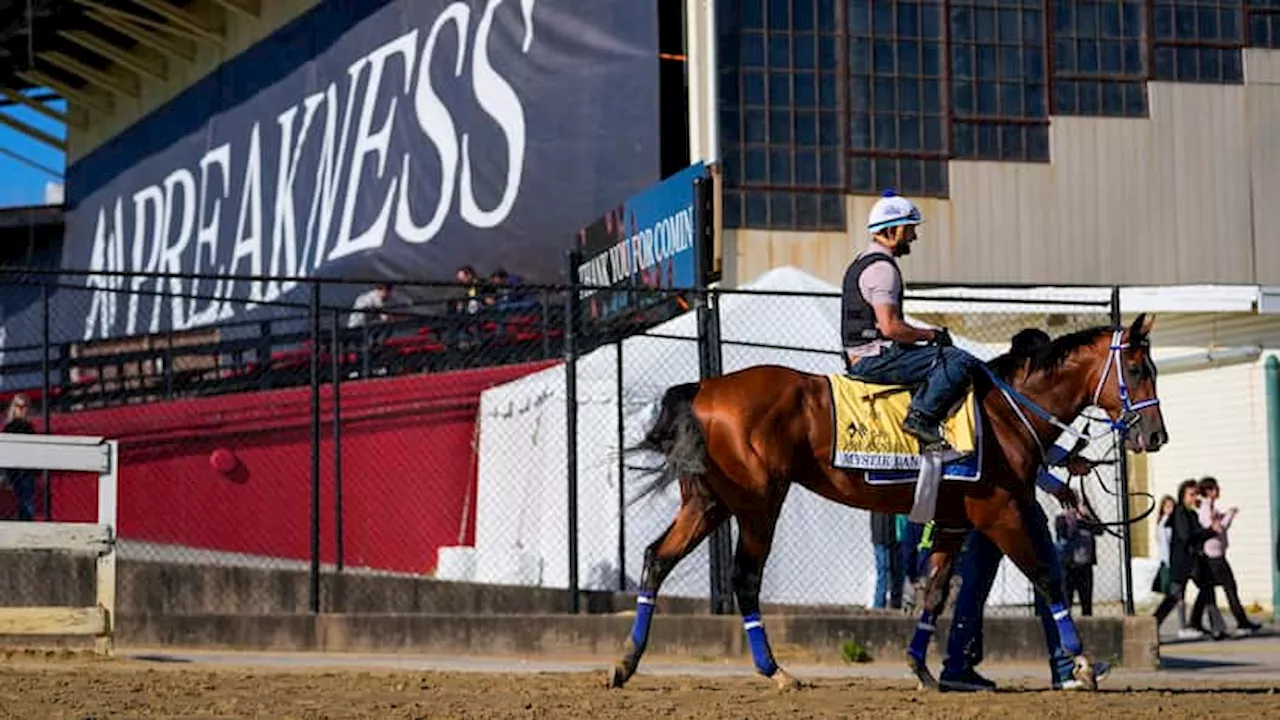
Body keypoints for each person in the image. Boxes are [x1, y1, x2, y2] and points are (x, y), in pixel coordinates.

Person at [842, 190, 982, 449]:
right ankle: (921, 419)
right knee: (957, 359)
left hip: (866, 354)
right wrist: (932, 335)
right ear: (892, 230)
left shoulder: (862, 261)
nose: (914, 237)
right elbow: (891, 327)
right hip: (875, 360)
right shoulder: (883, 270)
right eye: (910, 230)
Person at [1189, 476, 1261, 637]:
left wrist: (1223, 516)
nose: (1218, 491)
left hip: (1216, 554)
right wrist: (1230, 516)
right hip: (1214, 556)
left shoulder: (1210, 507)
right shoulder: (1206, 508)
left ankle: (1195, 621)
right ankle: (1242, 622)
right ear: (1209, 491)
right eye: (1216, 488)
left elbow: (1217, 521)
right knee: (1230, 588)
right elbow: (1215, 529)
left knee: (1207, 589)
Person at [1152, 479, 1219, 638]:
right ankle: (1152, 625)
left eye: (1196, 494)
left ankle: (1212, 626)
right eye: (1191, 494)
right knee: (1174, 597)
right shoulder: (1180, 512)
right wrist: (1209, 531)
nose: (1194, 497)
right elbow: (1186, 536)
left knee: (1207, 588)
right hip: (1182, 563)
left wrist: (1209, 532)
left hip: (1193, 562)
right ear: (1183, 496)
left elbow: (1197, 535)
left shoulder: (1191, 514)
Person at [1153, 494, 1202, 640]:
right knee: (1174, 597)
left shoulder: (1173, 522)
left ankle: (1181, 625)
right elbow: (1166, 547)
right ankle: (1176, 626)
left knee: (1177, 596)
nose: (1170, 509)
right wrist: (1167, 563)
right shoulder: (1165, 524)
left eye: (1172, 506)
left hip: (1175, 563)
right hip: (1170, 564)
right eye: (1167, 506)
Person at [1056, 506, 1097, 616]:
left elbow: (1099, 530)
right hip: (1069, 567)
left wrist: (1088, 515)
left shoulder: (1086, 520)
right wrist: (1071, 518)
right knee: (1067, 600)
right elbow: (1065, 535)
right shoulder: (1062, 519)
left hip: (1085, 566)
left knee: (1086, 601)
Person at [2, 394, 38, 520]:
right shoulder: (10, 427)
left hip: (26, 471)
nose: (22, 410)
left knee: (27, 501)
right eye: (19, 406)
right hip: (14, 471)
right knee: (18, 500)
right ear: (14, 408)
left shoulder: (29, 427)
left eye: (25, 406)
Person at [870, 511, 904, 609]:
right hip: (885, 535)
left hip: (890, 535)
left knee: (891, 570)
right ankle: (881, 603)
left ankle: (885, 603)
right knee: (886, 570)